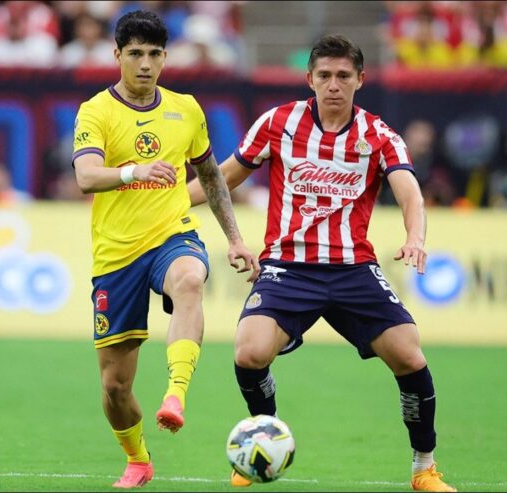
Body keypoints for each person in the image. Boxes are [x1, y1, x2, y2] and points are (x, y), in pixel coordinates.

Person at [188, 34, 456, 492]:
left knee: (411, 358)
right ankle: (265, 437)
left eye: (343, 76)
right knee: (249, 352)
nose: (334, 84)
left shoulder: (378, 135)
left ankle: (424, 468)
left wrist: (415, 237)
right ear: (309, 78)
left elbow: (410, 193)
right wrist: (169, 204)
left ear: (360, 80)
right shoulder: (278, 123)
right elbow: (223, 177)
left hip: (353, 271)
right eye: (325, 75)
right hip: (287, 268)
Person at [71, 10, 259, 489]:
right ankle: (138, 459)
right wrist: (134, 171)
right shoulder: (96, 111)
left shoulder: (186, 109)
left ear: (165, 57)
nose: (145, 64)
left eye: (154, 54)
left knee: (190, 279)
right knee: (115, 387)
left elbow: (211, 177)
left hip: (172, 236)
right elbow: (85, 177)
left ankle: (176, 394)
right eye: (135, 53)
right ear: (117, 55)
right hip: (116, 256)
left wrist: (235, 238)